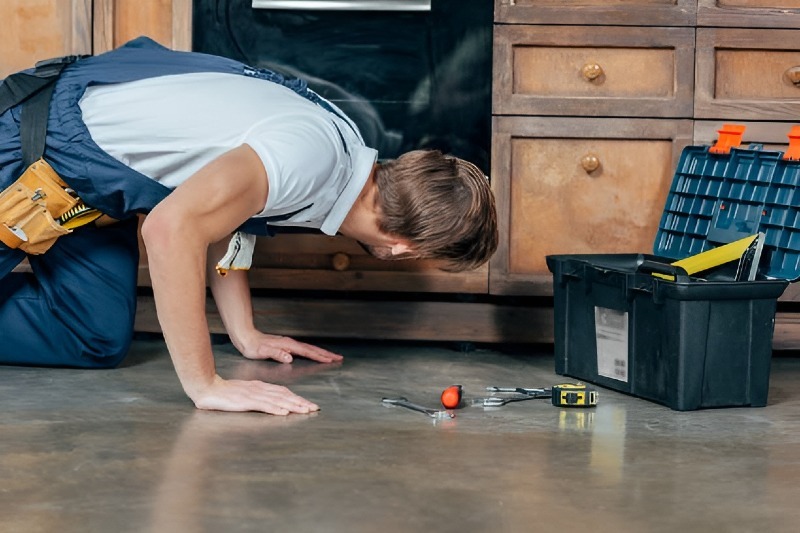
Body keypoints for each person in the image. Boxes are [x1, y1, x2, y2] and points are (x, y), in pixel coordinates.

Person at [0, 37, 498, 415]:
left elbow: (225, 214)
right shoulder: (311, 159)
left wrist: (245, 334)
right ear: (402, 247)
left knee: (95, 337)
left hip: (92, 191)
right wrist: (206, 384)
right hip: (32, 150)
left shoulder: (349, 153)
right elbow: (171, 230)